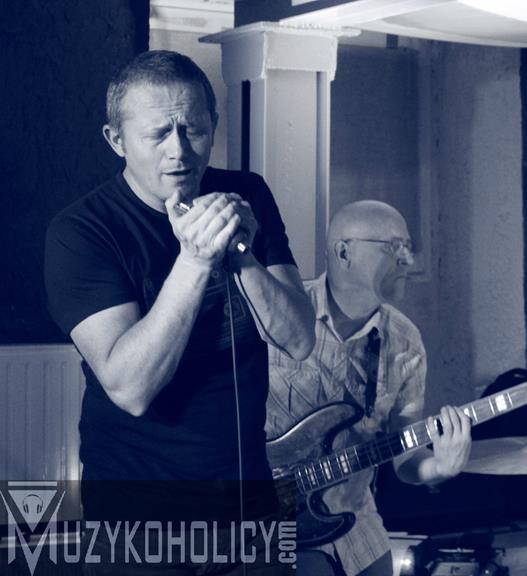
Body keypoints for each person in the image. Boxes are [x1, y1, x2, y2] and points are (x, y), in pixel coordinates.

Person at [44, 50, 315, 572]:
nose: (180, 151)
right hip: (137, 517)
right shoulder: (82, 232)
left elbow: (300, 339)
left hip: (250, 506)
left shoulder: (246, 194)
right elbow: (130, 388)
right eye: (158, 134)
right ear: (116, 140)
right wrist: (195, 260)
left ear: (213, 124)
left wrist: (240, 255)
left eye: (193, 129)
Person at [266, 200, 473, 576]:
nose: (408, 259)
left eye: (408, 246)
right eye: (394, 246)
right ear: (344, 253)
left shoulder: (405, 341)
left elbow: (406, 457)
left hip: (355, 525)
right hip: (263, 523)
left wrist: (440, 467)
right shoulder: (282, 316)